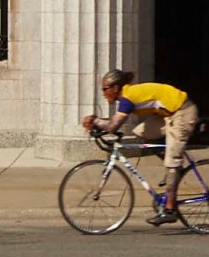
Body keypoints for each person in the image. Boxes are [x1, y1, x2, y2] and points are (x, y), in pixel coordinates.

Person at [83, 70, 200, 218]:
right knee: (140, 132)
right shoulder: (127, 96)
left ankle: (170, 210)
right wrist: (98, 123)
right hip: (170, 113)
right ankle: (175, 167)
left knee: (171, 164)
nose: (104, 93)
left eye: (105, 89)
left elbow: (113, 127)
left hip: (183, 112)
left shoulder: (127, 99)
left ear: (116, 88)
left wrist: (95, 120)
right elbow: (114, 121)